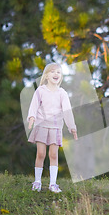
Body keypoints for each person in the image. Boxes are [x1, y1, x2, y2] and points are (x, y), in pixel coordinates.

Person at [27, 63, 78, 193]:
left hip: (55, 128)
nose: (56, 74)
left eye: (58, 72)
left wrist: (72, 127)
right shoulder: (40, 91)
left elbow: (67, 111)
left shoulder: (62, 93)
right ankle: (37, 182)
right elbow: (34, 105)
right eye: (53, 72)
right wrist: (31, 118)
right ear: (47, 75)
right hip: (41, 126)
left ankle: (53, 184)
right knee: (41, 153)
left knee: (53, 154)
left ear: (61, 76)